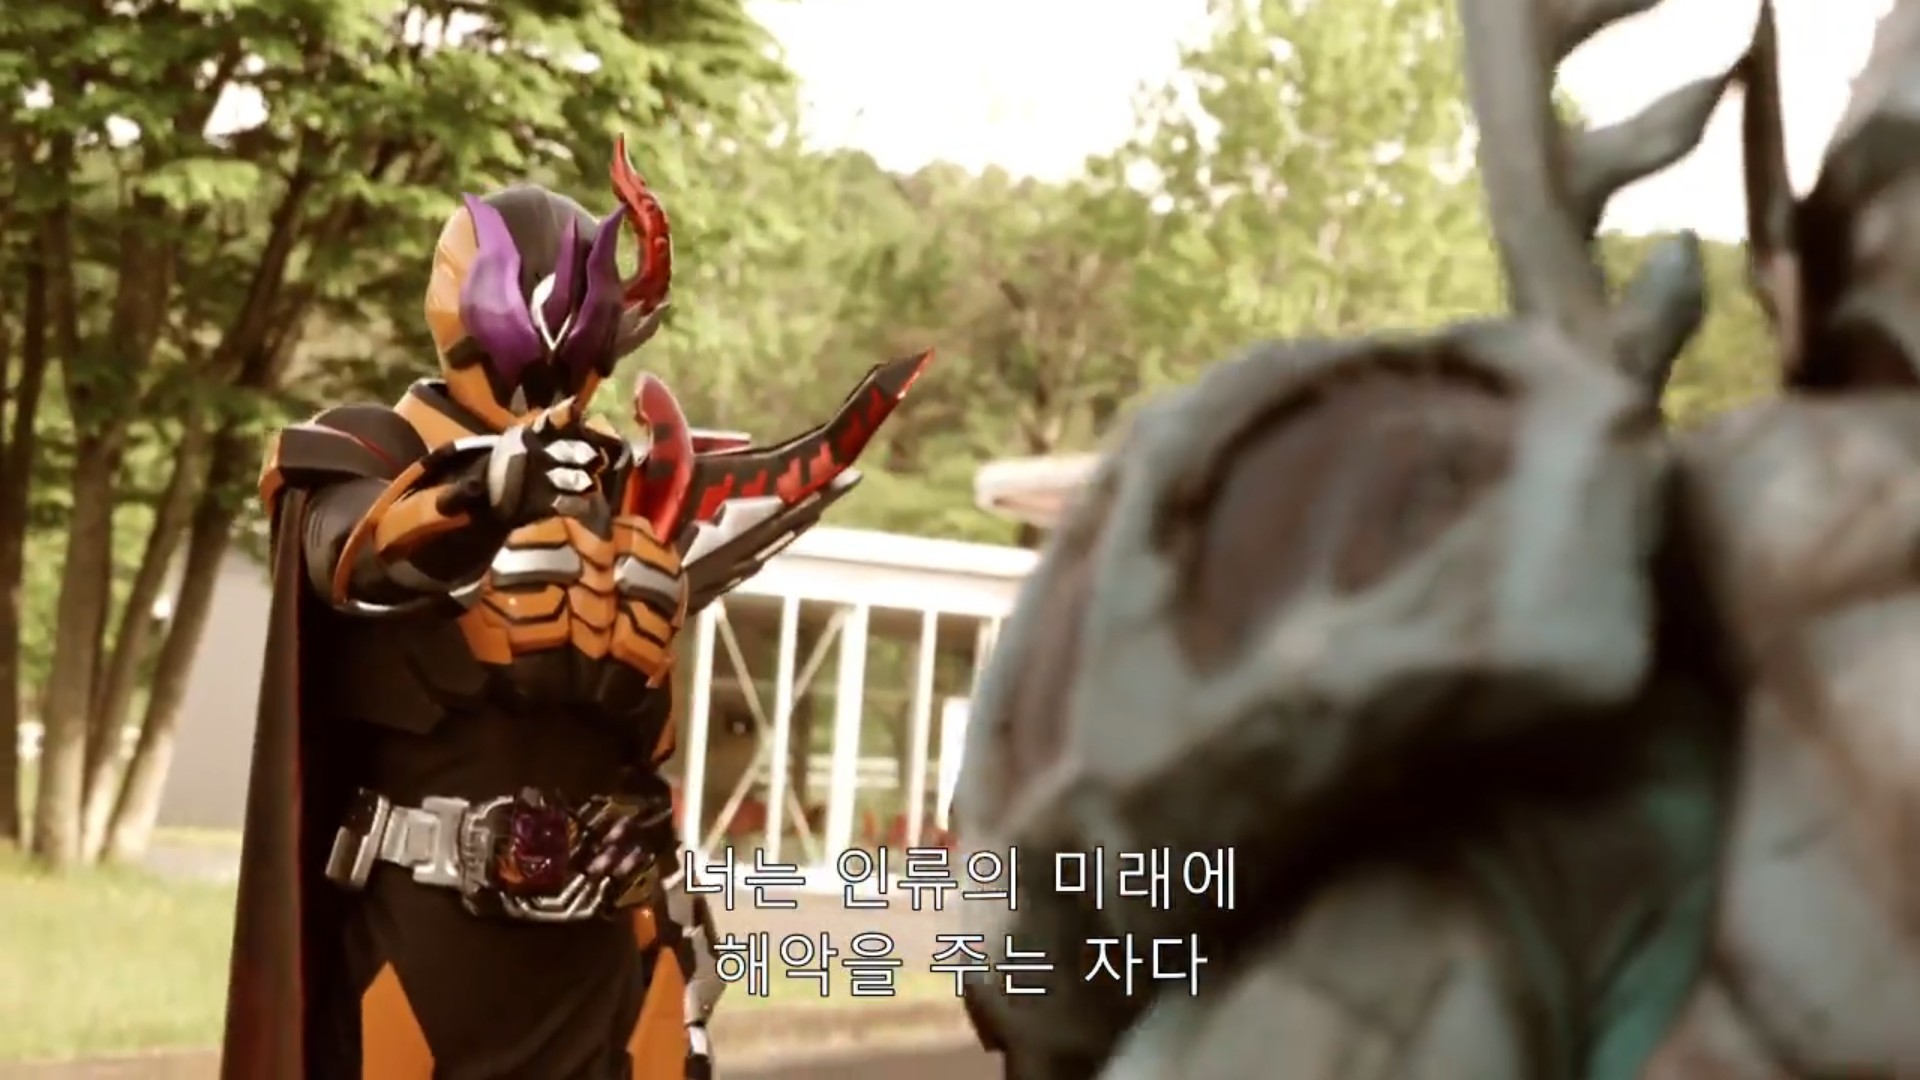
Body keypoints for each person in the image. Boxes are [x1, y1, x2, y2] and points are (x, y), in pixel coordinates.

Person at [224, 136, 932, 1079]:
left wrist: (679, 940)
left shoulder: (636, 497)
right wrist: (480, 494)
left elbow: (637, 754)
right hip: (427, 949)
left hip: (609, 954)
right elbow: (348, 553)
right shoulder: (373, 452)